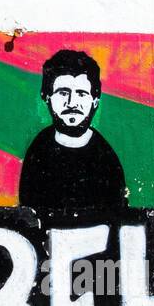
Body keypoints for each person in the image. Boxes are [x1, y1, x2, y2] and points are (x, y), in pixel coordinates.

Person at [18, 49, 128, 216]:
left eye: (81, 94)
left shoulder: (105, 158)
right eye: (63, 93)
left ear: (95, 101)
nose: (72, 103)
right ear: (46, 96)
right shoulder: (39, 151)